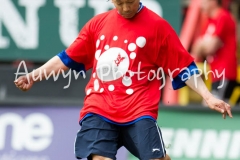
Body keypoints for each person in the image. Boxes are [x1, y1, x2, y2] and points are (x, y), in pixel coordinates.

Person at [14, 0, 232, 160]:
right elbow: (67, 58)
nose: (125, 7)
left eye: (129, 1)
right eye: (120, 2)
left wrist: (207, 96)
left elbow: (183, 66)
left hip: (139, 112)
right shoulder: (97, 25)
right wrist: (33, 75)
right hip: (99, 109)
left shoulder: (158, 27)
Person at [191, 0, 238, 102]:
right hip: (214, 73)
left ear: (213, 2)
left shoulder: (223, 17)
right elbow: (196, 48)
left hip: (225, 73)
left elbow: (210, 48)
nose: (202, 4)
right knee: (212, 106)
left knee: (217, 106)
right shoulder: (209, 21)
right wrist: (206, 45)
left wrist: (204, 45)